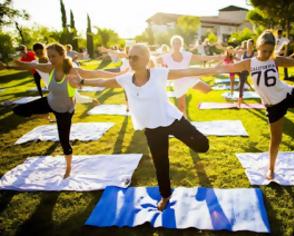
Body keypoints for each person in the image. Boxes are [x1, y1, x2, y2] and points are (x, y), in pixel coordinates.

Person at [68, 44, 227, 211]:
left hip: (172, 119)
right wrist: (82, 82)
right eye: (129, 57)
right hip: (152, 128)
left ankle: (186, 139)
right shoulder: (126, 79)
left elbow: (187, 72)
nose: (131, 60)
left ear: (145, 59)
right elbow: (103, 81)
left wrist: (212, 70)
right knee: (160, 163)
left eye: (135, 57)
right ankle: (165, 195)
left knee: (203, 146)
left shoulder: (158, 74)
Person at [2, 43, 124, 179]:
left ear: (62, 55)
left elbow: (96, 73)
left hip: (64, 111)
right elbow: (31, 65)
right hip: (49, 102)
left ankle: (68, 167)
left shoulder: (72, 71)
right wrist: (8, 66)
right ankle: (43, 113)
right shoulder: (50, 68)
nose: (51, 59)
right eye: (49, 57)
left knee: (64, 141)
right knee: (18, 110)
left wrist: (120, 73)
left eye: (53, 56)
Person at [211, 30, 294, 180]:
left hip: (287, 94)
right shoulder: (249, 63)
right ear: (258, 47)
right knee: (276, 140)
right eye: (264, 50)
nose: (266, 54)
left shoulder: (275, 60)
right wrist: (207, 69)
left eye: (269, 51)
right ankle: (270, 169)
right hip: (273, 106)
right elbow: (227, 68)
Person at [157, 35, 220, 117]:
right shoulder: (166, 57)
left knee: (207, 89)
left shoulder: (186, 55)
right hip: (178, 83)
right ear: (172, 45)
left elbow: (201, 58)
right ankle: (184, 122)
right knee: (181, 107)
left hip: (189, 79)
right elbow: (152, 60)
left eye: (178, 43)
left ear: (181, 44)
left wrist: (217, 57)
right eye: (174, 43)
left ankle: (201, 105)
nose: (176, 45)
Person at [238, 39, 255, 107]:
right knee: (241, 82)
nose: (249, 46)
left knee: (242, 81)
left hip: (250, 70)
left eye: (250, 44)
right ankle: (240, 98)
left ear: (253, 45)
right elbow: (241, 60)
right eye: (248, 44)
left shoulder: (254, 53)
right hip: (243, 69)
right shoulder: (244, 53)